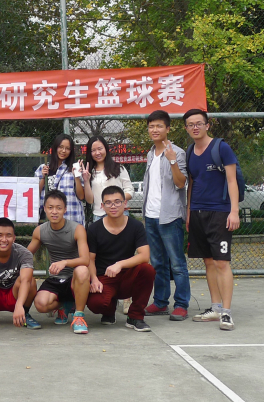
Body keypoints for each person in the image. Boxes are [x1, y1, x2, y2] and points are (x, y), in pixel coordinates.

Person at [184, 109, 239, 330]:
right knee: (208, 261)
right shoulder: (189, 151)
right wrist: (189, 212)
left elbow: (232, 181)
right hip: (197, 212)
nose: (195, 127)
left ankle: (226, 312)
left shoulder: (221, 148)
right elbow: (191, 183)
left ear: (207, 125)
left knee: (221, 262)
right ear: (186, 128)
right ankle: (215, 308)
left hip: (220, 212)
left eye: (199, 123)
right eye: (190, 124)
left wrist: (234, 211)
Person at [142, 110, 190, 321]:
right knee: (157, 263)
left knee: (177, 263)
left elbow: (181, 183)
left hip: (170, 216)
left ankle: (181, 304)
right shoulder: (150, 154)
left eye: (159, 126)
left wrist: (172, 161)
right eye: (151, 126)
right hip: (150, 216)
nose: (155, 130)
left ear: (168, 129)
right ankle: (161, 302)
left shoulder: (177, 153)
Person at [86, 186, 155, 332]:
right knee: (96, 304)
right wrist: (94, 279)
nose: (113, 206)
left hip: (127, 276)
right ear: (102, 206)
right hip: (104, 277)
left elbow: (145, 256)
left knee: (147, 269)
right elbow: (90, 259)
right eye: (108, 203)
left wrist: (120, 264)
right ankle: (109, 309)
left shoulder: (136, 226)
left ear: (125, 203)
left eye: (117, 202)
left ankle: (135, 316)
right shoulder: (94, 229)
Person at [82, 135, 135, 314]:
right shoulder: (89, 172)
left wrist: (116, 203)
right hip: (99, 217)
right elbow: (90, 200)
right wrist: (86, 180)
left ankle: (127, 298)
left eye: (100, 148)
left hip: (121, 216)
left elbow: (129, 190)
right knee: (102, 259)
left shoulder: (118, 168)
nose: (97, 152)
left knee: (124, 255)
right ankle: (107, 292)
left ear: (106, 149)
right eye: (93, 150)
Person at [27, 190, 90, 333]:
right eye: (50, 208)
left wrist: (64, 262)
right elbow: (26, 254)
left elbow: (85, 260)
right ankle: (64, 305)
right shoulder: (40, 231)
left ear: (65, 209)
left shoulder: (77, 229)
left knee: (82, 270)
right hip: (56, 278)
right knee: (40, 304)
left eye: (58, 208)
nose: (54, 212)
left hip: (74, 279)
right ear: (45, 209)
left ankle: (79, 316)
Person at [35, 133, 85, 225]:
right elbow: (34, 193)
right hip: (48, 218)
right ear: (55, 148)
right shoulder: (43, 167)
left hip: (70, 217)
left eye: (67, 148)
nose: (63, 151)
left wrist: (76, 177)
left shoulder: (74, 168)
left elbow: (81, 196)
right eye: (61, 147)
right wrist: (43, 177)